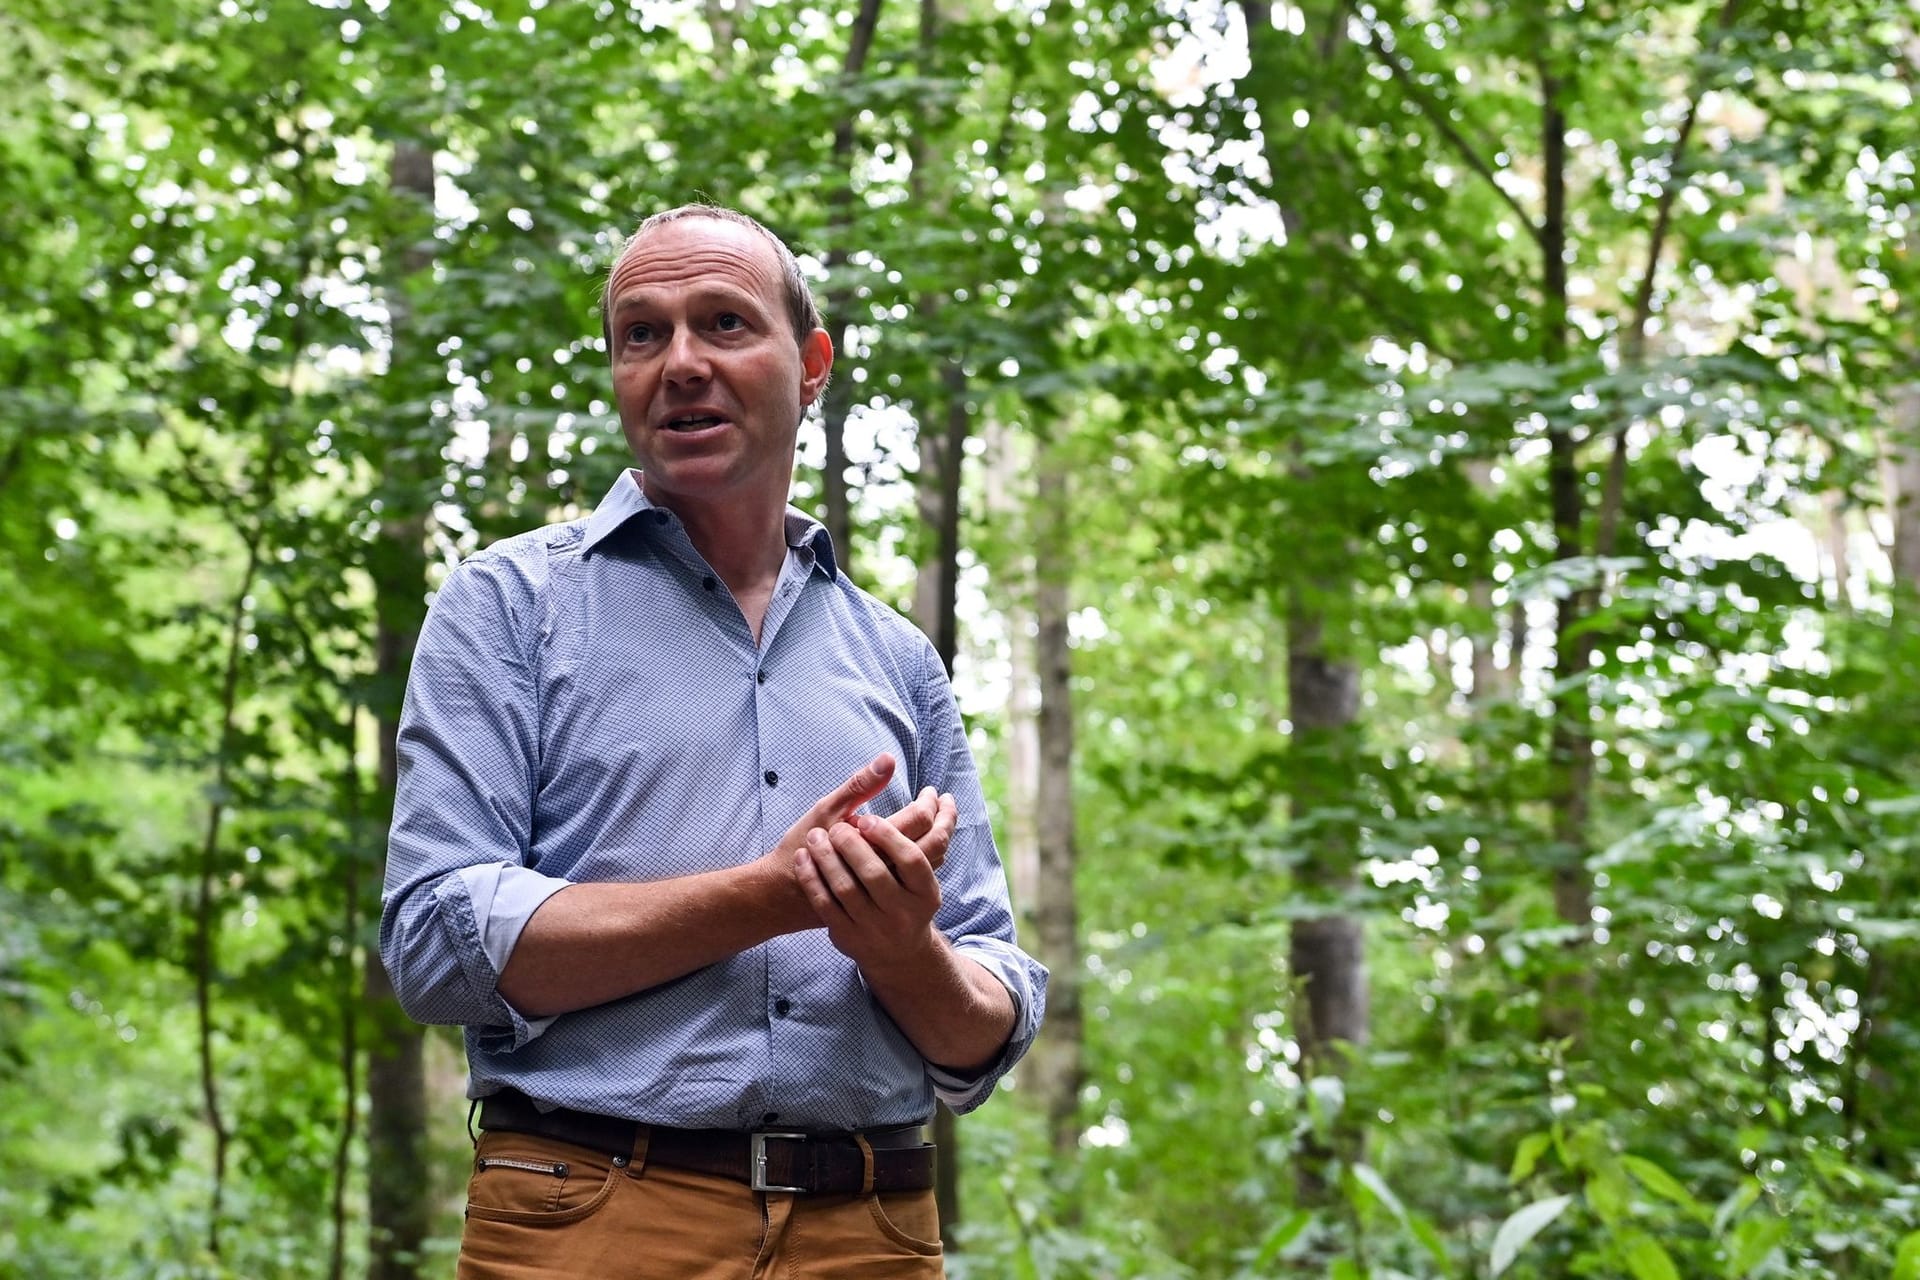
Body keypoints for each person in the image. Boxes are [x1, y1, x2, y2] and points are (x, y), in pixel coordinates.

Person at [379, 203, 1047, 1279]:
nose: (680, 361)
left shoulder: (899, 660)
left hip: (874, 1232)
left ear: (812, 364)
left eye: (724, 323)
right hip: (591, 1216)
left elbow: (984, 1026)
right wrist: (774, 894)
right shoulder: (507, 605)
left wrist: (896, 945)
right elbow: (434, 940)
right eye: (642, 334)